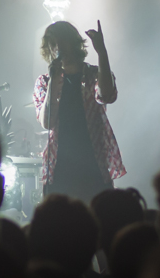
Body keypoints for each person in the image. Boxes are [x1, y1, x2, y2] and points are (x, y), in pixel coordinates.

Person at [33, 20, 126, 203]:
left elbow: (107, 95)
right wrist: (53, 80)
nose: (58, 47)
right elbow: (47, 122)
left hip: (93, 164)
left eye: (63, 41)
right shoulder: (44, 82)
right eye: (53, 44)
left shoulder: (93, 74)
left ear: (74, 43)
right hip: (60, 166)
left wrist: (102, 52)